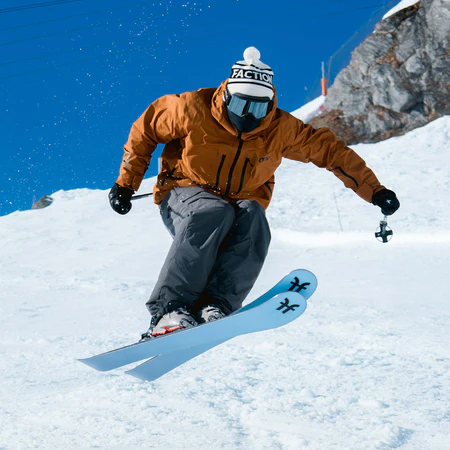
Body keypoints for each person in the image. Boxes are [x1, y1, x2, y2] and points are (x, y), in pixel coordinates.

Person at [109, 47, 400, 338]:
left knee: (253, 219)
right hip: (183, 190)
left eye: (258, 109)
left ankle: (216, 304)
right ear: (226, 96)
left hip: (238, 200)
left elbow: (331, 152)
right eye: (240, 105)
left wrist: (375, 191)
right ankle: (170, 310)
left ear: (270, 104)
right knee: (212, 211)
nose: (248, 115)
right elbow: (145, 130)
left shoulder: (280, 129)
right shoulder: (191, 108)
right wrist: (125, 184)